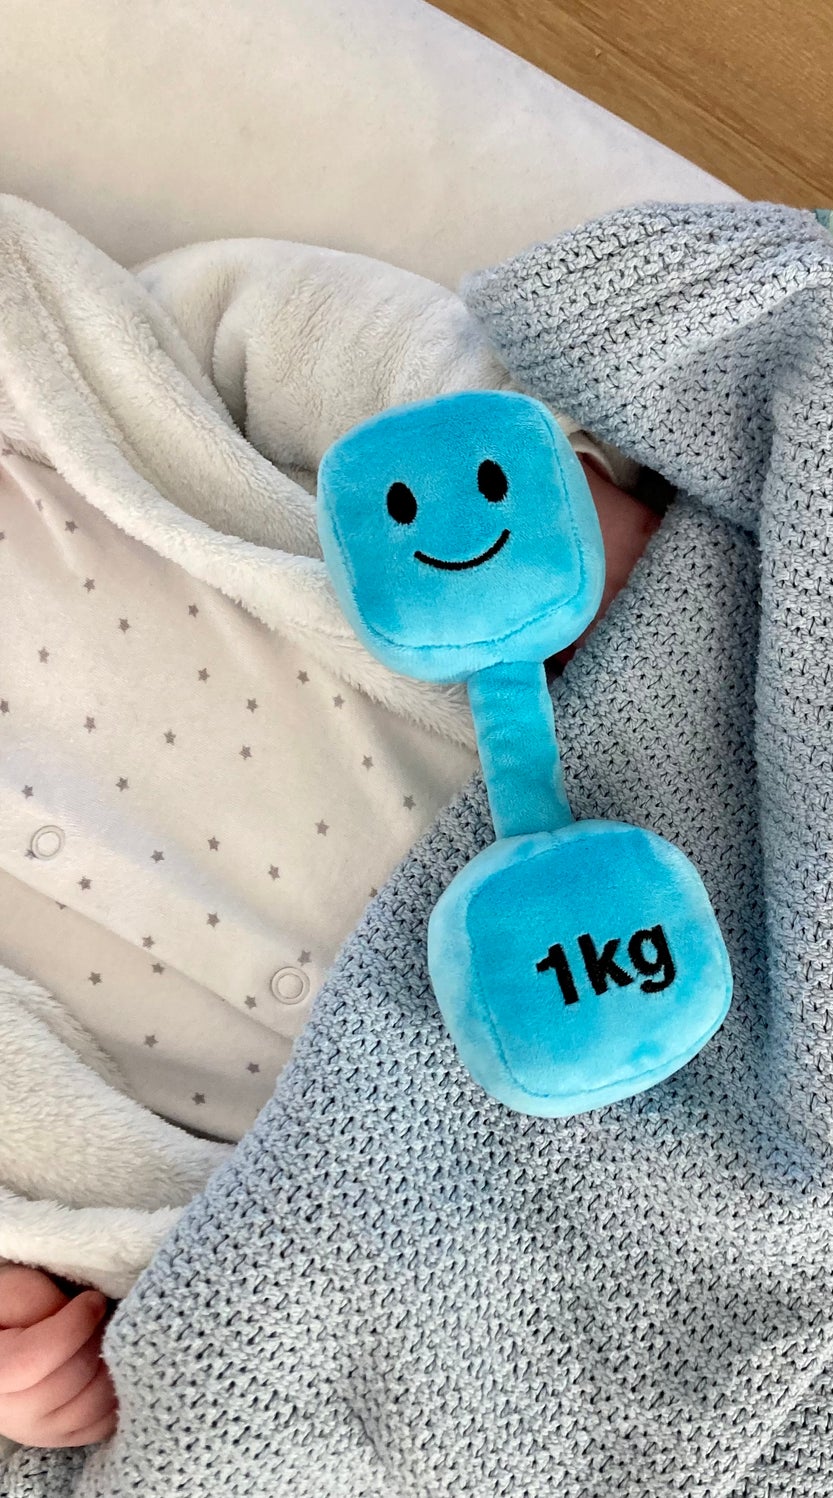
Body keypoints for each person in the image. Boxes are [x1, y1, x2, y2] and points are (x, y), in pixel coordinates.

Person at [0, 222, 661, 1449]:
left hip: (572, 839)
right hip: (365, 1192)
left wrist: (538, 481)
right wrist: (28, 1349)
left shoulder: (56, 368)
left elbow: (321, 343)